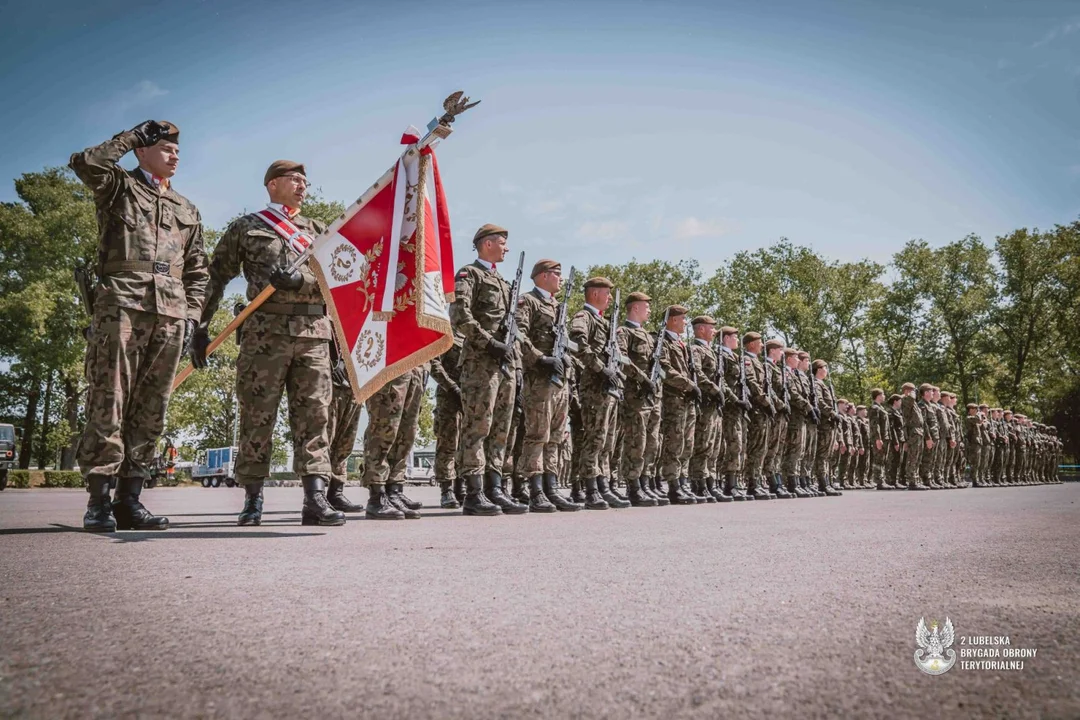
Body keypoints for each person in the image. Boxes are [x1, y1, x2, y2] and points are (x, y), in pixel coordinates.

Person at [71, 119, 208, 532]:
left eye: (177, 151)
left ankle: (130, 499)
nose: (175, 154)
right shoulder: (119, 187)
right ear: (143, 152)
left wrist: (192, 315)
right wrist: (130, 136)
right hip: (122, 305)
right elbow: (85, 163)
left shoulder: (187, 208)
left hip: (170, 313)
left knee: (152, 408)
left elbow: (198, 271)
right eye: (165, 147)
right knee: (109, 399)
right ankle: (99, 500)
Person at [192, 160, 343, 527]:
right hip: (264, 334)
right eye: (295, 180)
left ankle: (315, 499)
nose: (303, 187)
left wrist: (301, 282)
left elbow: (337, 279)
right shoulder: (248, 227)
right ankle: (252, 499)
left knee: (316, 417)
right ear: (273, 184)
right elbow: (216, 276)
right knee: (257, 416)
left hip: (313, 335)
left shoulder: (318, 231)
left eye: (306, 181)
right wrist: (200, 324)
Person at [449, 224, 527, 516]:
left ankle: (495, 488)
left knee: (501, 429)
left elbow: (514, 328)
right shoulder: (469, 275)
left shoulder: (505, 283)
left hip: (505, 364)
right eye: (503, 243)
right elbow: (460, 315)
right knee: (478, 427)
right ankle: (473, 492)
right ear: (487, 244)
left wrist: (514, 361)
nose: (506, 248)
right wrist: (489, 342)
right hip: (480, 363)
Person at [515, 259, 581, 512]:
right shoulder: (528, 301)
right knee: (537, 435)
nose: (560, 279)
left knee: (554, 437)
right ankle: (535, 489)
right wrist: (540, 358)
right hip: (539, 380)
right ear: (543, 276)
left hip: (560, 381)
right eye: (556, 274)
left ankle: (552, 488)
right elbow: (520, 335)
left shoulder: (557, 306)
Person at [569, 277, 629, 509]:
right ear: (594, 294)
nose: (610, 297)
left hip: (608, 387)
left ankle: (603, 485)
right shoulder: (583, 317)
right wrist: (600, 368)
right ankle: (591, 488)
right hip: (594, 387)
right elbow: (579, 344)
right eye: (607, 293)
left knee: (606, 440)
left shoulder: (603, 322)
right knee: (594, 438)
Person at [616, 292, 665, 506]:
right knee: (637, 440)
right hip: (635, 394)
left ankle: (645, 482)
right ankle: (633, 485)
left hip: (652, 395)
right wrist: (643, 378)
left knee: (652, 441)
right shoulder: (623, 332)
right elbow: (623, 360)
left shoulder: (648, 335)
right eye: (647, 305)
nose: (650, 309)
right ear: (635, 307)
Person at [657, 306, 699, 504]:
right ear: (672, 320)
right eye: (682, 318)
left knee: (686, 443)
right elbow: (665, 369)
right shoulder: (663, 341)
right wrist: (689, 385)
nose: (685, 322)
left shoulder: (682, 344)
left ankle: (682, 481)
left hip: (686, 399)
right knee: (674, 442)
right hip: (673, 398)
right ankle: (673, 485)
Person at [430, 332, 465, 508]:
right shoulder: (444, 332)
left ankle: (461, 486)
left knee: (466, 444)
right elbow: (434, 364)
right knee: (448, 444)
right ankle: (447, 490)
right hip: (448, 397)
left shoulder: (471, 335)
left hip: (470, 398)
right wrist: (452, 387)